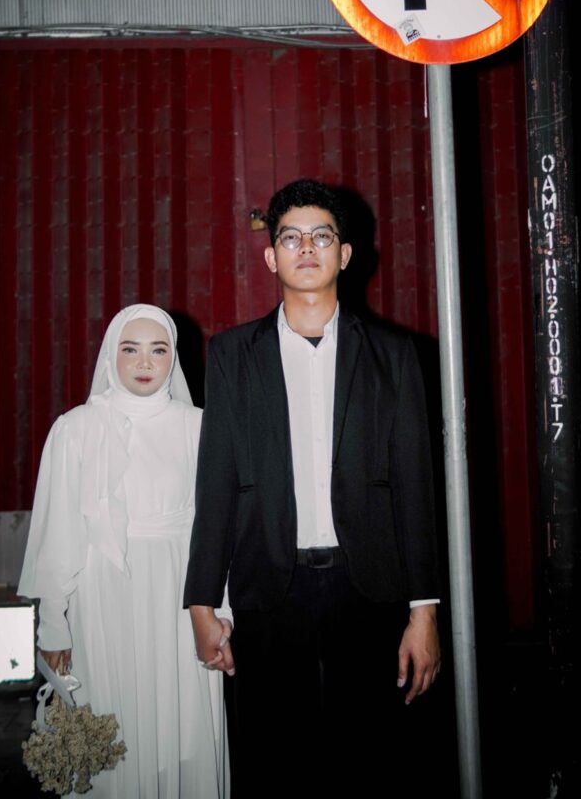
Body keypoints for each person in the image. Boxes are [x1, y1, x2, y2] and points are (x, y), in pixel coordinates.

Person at [184, 180, 440, 796]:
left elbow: (416, 486)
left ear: (344, 254)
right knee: (275, 762)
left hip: (368, 585)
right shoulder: (232, 356)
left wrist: (424, 611)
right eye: (290, 237)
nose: (306, 247)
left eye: (321, 236)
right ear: (271, 256)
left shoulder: (395, 355)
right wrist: (201, 603)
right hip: (269, 586)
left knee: (373, 761)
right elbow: (216, 481)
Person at [19, 304, 229, 799]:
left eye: (159, 350)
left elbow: (218, 530)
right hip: (102, 598)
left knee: (184, 727)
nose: (144, 362)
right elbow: (59, 531)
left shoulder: (200, 427)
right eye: (130, 349)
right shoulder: (76, 429)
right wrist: (53, 622)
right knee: (113, 725)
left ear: (174, 358)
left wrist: (222, 612)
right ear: (111, 355)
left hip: (182, 594)